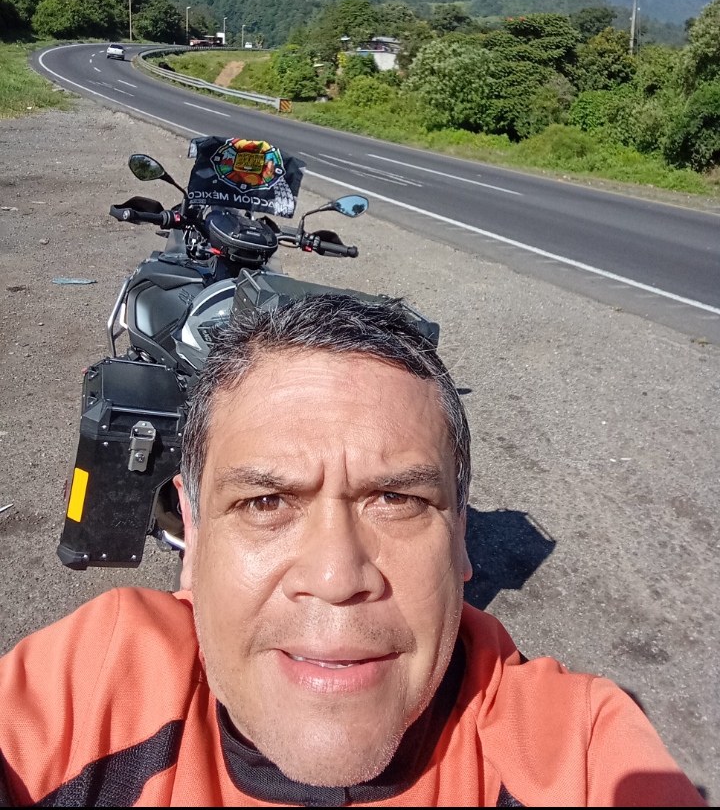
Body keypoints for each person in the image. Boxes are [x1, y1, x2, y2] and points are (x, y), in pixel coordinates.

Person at [0, 296, 705, 807]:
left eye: (397, 499)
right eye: (265, 502)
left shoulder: (577, 754)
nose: (337, 577)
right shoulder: (90, 684)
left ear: (461, 533)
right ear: (192, 532)